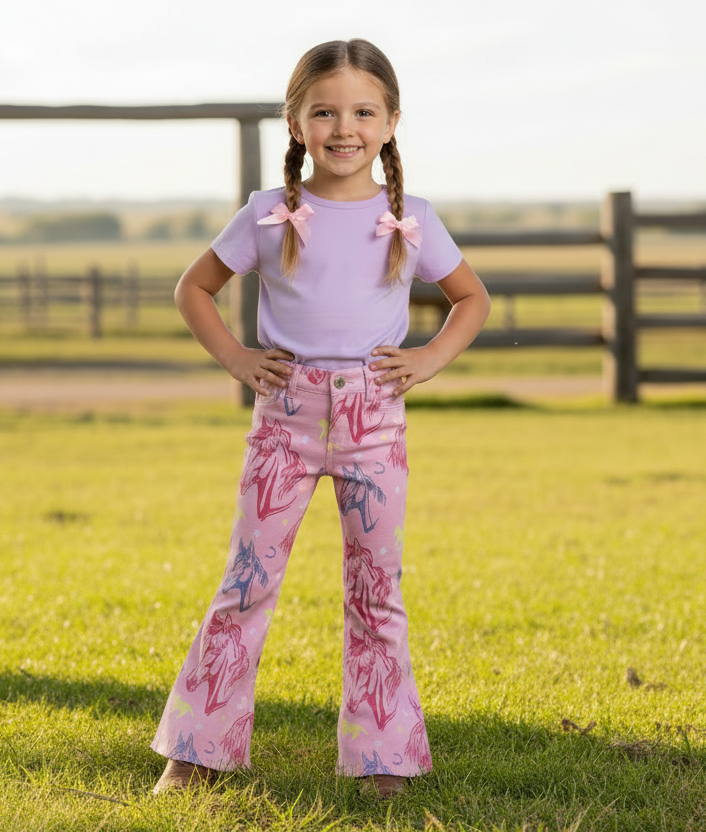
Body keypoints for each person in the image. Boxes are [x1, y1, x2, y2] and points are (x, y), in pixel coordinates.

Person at [151, 38, 490, 798]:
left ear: (392, 121)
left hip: (375, 420)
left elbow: (473, 300)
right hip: (285, 419)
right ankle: (198, 751)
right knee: (248, 580)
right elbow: (192, 290)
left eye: (364, 111)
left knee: (377, 587)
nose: (346, 128)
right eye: (326, 111)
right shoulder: (270, 214)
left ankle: (383, 758)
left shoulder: (414, 218)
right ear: (297, 123)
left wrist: (428, 359)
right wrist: (239, 360)